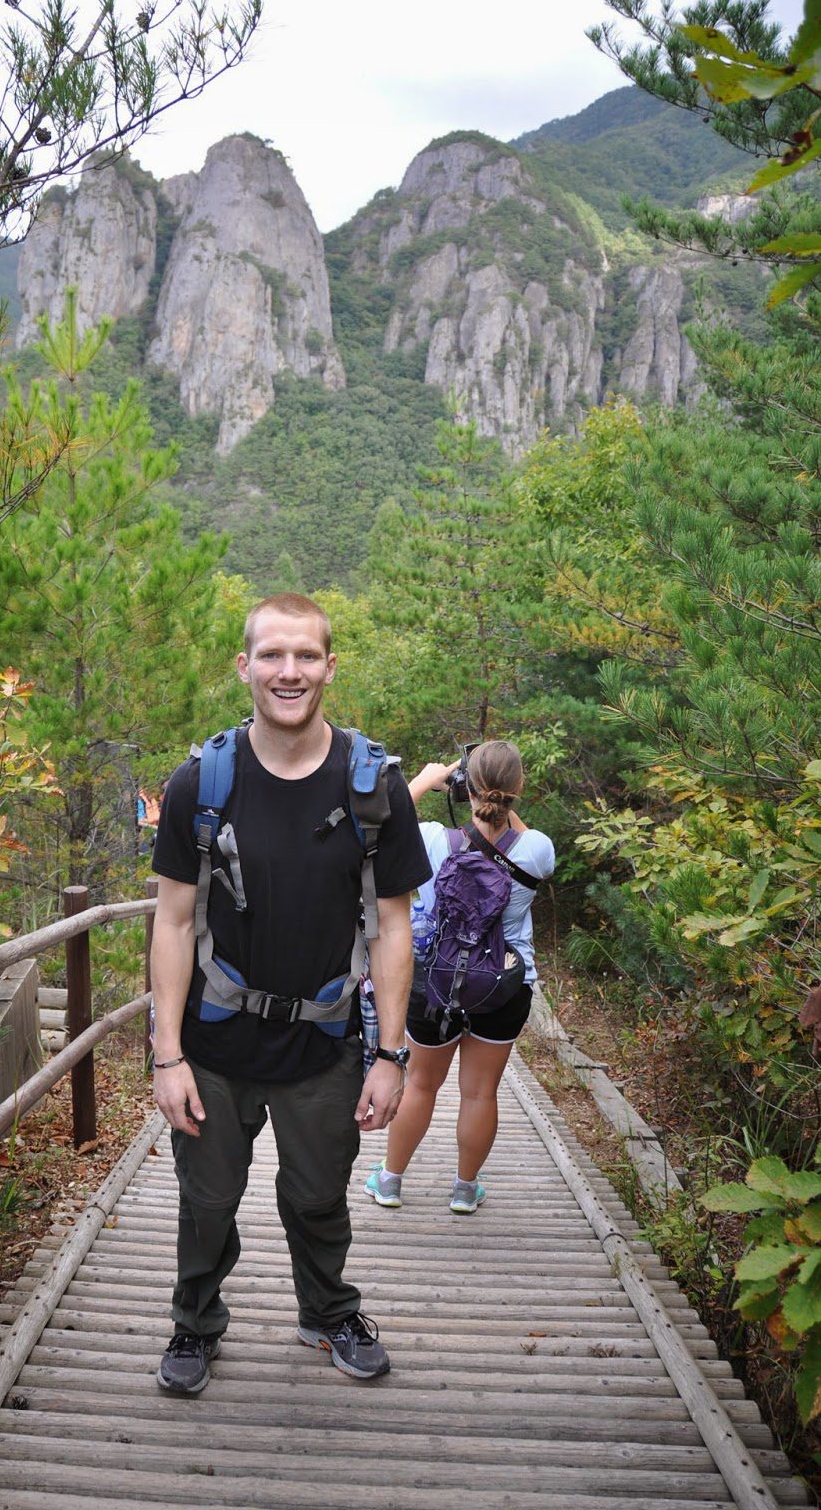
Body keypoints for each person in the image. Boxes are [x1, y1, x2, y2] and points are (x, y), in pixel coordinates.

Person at [149, 592, 431, 1394]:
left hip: (327, 1042)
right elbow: (171, 924)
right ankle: (195, 1324)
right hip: (214, 1042)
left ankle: (329, 1310)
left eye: (306, 655)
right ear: (244, 667)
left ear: (331, 668)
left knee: (318, 1197)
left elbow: (394, 926)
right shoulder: (200, 783)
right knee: (207, 1202)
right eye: (272, 654)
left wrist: (389, 1053)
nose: (289, 671)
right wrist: (165, 1056)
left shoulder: (375, 788)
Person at [365, 740, 555, 1214]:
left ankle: (389, 1182)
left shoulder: (431, 838)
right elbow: (522, 844)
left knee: (422, 1086)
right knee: (480, 1091)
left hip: (435, 983)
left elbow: (376, 819)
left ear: (462, 788)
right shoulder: (537, 848)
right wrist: (502, 808)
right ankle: (465, 1190)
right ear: (519, 789)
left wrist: (428, 779)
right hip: (505, 987)